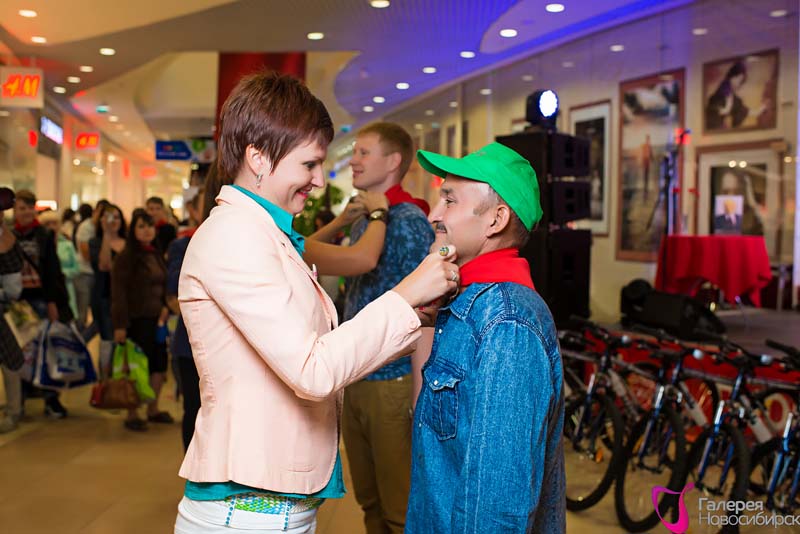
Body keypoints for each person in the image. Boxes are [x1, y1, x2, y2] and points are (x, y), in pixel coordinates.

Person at [174, 71, 458, 534]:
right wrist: (405, 295)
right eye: (309, 164)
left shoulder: (264, 233)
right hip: (247, 511)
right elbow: (312, 370)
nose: (320, 181)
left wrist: (413, 322)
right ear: (258, 157)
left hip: (269, 506)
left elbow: (319, 349)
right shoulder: (234, 237)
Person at [406, 142, 565, 533]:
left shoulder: (508, 325)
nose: (433, 214)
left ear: (496, 219)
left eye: (449, 200)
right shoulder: (468, 304)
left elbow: (496, 505)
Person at [307, 122, 434, 534]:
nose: (354, 161)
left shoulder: (409, 220)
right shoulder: (368, 219)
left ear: (393, 161)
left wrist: (419, 390)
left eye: (363, 152)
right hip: (356, 375)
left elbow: (427, 309)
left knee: (399, 508)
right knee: (370, 501)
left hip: (392, 381)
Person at [12, 189, 72, 419]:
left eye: (29, 207)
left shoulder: (44, 235)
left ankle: (50, 399)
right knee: (20, 352)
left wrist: (52, 301)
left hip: (39, 298)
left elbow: (52, 270)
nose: (26, 212)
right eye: (21, 208)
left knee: (45, 351)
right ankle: (20, 400)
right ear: (14, 210)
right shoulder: (8, 235)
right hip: (17, 301)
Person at [111, 210, 171, 432]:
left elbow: (164, 285)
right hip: (136, 320)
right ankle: (132, 412)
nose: (147, 231)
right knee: (137, 367)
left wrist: (166, 307)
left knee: (159, 365)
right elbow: (118, 293)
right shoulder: (126, 257)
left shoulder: (155, 254)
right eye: (141, 226)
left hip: (158, 320)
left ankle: (152, 409)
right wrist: (120, 325)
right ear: (133, 231)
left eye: (150, 226)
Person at [166, 185, 205, 451]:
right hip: (191, 346)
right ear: (192, 210)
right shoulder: (182, 246)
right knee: (194, 409)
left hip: (227, 349)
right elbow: (174, 298)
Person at [89, 203, 127, 376]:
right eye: (109, 217)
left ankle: (120, 378)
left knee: (124, 339)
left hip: (126, 298)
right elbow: (104, 265)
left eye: (117, 217)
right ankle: (105, 380)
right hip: (104, 296)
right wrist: (106, 233)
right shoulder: (95, 242)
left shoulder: (128, 242)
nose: (114, 221)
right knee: (107, 339)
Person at [0, 188, 25, 433]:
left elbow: (13, 286)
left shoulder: (8, 238)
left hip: (3, 309)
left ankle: (14, 410)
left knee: (10, 358)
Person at [74, 199, 109, 336]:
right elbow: (87, 255)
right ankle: (78, 341)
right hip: (84, 273)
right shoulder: (86, 227)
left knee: (98, 318)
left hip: (97, 276)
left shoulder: (103, 229)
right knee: (82, 314)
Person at [40, 210, 80, 318]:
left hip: (65, 288)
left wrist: (62, 273)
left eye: (54, 223)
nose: (51, 227)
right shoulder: (40, 246)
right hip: (46, 291)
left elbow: (76, 268)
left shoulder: (67, 244)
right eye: (47, 224)